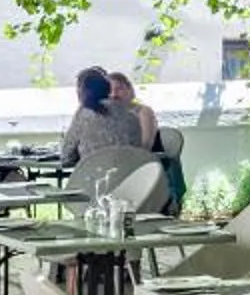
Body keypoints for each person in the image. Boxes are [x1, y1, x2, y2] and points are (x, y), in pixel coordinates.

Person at [108, 72, 186, 212]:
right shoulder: (108, 117)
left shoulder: (143, 112)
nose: (114, 94)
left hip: (150, 170)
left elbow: (145, 146)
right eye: (109, 90)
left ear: (129, 90)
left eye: (119, 89)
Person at [61, 68, 144, 168]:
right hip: (126, 178)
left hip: (92, 179)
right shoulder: (131, 116)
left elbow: (66, 156)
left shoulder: (83, 114)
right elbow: (136, 152)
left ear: (82, 91)